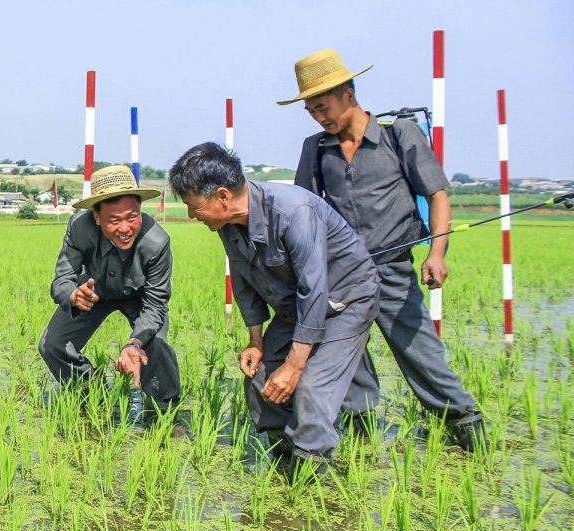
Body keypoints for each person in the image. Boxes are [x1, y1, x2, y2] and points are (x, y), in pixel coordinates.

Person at [280, 48, 484, 450]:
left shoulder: (397, 134)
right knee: (345, 353)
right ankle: (360, 429)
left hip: (392, 266)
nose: (320, 117)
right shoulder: (316, 149)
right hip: (340, 274)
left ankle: (464, 420)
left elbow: (437, 194)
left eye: (323, 107)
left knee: (418, 350)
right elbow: (304, 211)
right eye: (311, 111)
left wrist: (437, 253)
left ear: (349, 95)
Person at [169, 142, 379, 464]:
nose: (190, 214)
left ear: (223, 196)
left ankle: (308, 476)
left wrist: (294, 366)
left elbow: (315, 288)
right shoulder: (226, 225)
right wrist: (255, 341)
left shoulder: (292, 211)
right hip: (295, 305)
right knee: (260, 379)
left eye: (192, 204)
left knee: (311, 390)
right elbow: (243, 279)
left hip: (345, 300)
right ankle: (283, 456)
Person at [37, 165, 181, 424]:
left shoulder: (157, 242)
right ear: (96, 217)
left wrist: (134, 344)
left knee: (155, 345)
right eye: (114, 220)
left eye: (132, 217)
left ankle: (164, 413)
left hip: (140, 298)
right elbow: (62, 278)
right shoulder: (79, 228)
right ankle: (92, 397)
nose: (125, 228)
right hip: (93, 293)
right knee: (52, 344)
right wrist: (73, 295)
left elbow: (156, 304)